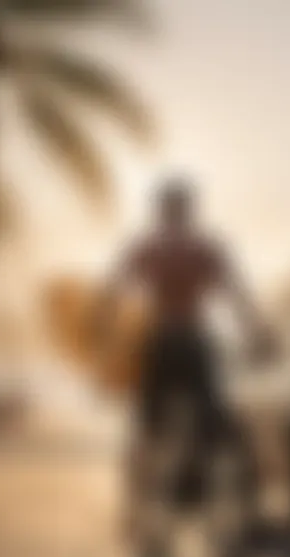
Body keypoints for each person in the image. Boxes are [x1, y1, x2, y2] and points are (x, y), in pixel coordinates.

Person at [93, 178, 272, 446]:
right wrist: (257, 335)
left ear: (161, 211)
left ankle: (149, 459)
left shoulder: (146, 247)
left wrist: (102, 328)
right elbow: (237, 296)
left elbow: (113, 290)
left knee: (150, 414)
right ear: (189, 211)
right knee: (209, 411)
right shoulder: (206, 248)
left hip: (159, 337)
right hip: (193, 336)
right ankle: (198, 453)